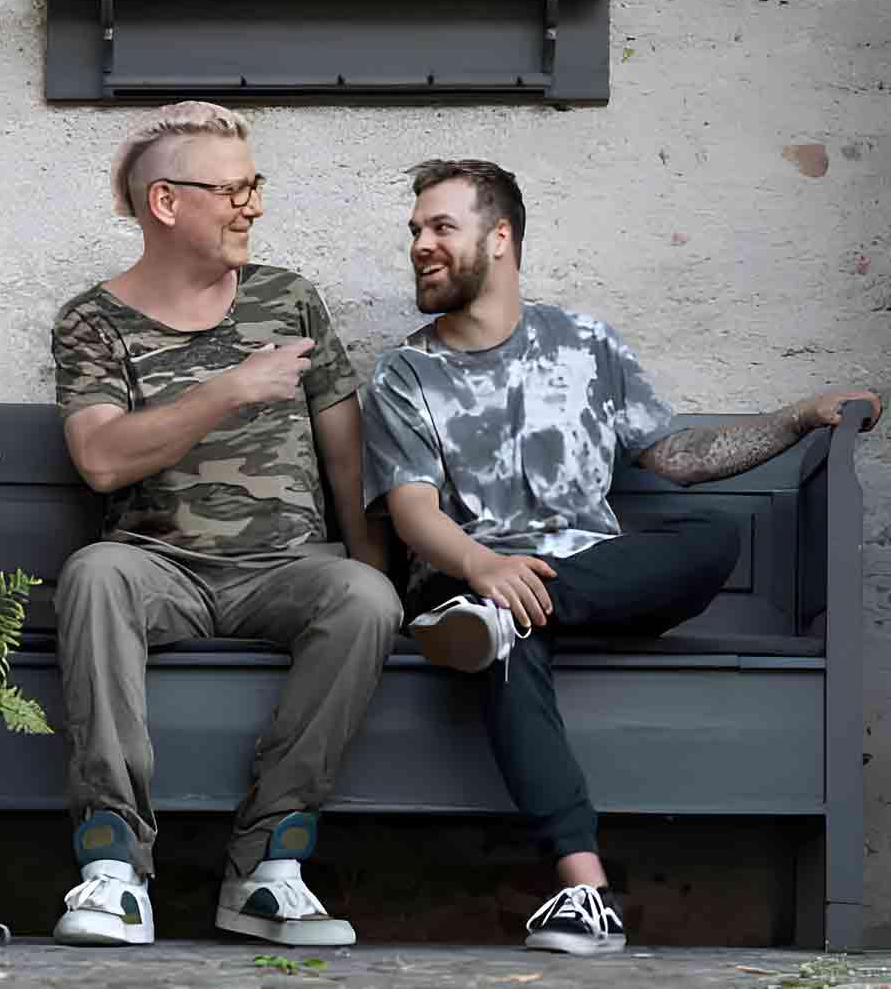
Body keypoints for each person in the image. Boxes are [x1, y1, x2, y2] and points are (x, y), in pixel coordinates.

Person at [361, 158, 882, 956]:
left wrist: (798, 417)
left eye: (441, 228)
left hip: (585, 584)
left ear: (500, 239)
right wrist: (484, 567)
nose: (421, 246)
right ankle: (585, 892)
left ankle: (502, 614)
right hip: (467, 580)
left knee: (711, 536)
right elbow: (411, 512)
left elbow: (675, 456)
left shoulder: (583, 342)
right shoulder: (405, 375)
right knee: (505, 632)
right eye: (415, 232)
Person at [50, 101, 401, 948]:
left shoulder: (290, 299)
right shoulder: (92, 320)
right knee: (93, 573)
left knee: (365, 599)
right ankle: (113, 869)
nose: (253, 206)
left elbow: (346, 458)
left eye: (255, 185)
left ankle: (269, 867)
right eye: (233, 189)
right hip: (154, 567)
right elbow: (99, 459)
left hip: (286, 566)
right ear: (166, 203)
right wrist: (227, 391)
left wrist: (378, 573)